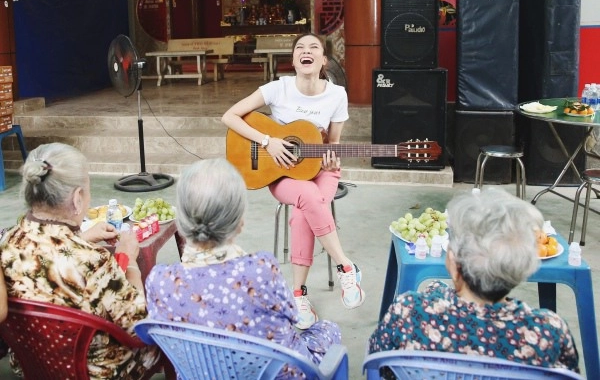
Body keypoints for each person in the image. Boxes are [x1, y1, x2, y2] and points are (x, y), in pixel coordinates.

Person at [221, 32, 365, 329]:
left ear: (324, 60)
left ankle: (298, 294)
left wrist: (332, 155)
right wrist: (267, 141)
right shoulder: (277, 88)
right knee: (307, 198)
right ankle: (346, 266)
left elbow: (334, 143)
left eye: (314, 47)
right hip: (281, 172)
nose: (306, 51)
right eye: (300, 47)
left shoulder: (337, 95)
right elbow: (230, 116)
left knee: (304, 210)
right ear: (294, 60)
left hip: (322, 172)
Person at [145, 158, 342, 372]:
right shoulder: (260, 270)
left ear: (181, 223)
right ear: (240, 222)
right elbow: (293, 317)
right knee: (329, 329)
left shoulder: (160, 281)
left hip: (205, 374)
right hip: (273, 373)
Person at [369, 188, 579, 373]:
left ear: (453, 263)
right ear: (522, 269)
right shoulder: (549, 331)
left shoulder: (409, 313)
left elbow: (378, 365)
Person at [0, 142, 160, 379]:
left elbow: (46, 260)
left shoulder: (6, 240)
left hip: (30, 362)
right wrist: (131, 262)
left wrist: (80, 238)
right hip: (89, 371)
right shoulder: (93, 261)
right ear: (77, 199)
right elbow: (139, 330)